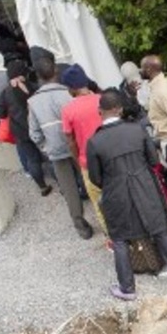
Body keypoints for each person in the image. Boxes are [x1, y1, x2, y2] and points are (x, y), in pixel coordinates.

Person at [87, 89, 167, 299]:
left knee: (121, 239)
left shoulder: (95, 142)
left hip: (116, 193)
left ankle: (127, 288)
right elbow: (153, 161)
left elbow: (95, 178)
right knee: (159, 229)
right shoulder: (137, 130)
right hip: (145, 186)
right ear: (120, 109)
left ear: (100, 111)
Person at [28, 57, 93, 239]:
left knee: (69, 188)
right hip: (78, 145)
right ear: (56, 73)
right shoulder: (68, 93)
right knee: (89, 180)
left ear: (39, 77)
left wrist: (45, 147)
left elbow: (34, 133)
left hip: (55, 150)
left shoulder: (33, 102)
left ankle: (81, 226)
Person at [61, 64, 108, 238]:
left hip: (87, 161)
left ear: (71, 88)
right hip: (111, 156)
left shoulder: (68, 110)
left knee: (99, 201)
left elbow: (70, 141)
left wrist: (77, 161)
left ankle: (112, 238)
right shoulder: (103, 99)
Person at [0, 60, 52, 197]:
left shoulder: (6, 92)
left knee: (32, 159)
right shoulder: (32, 87)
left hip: (20, 130)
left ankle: (42, 187)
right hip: (39, 126)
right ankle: (62, 182)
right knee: (49, 155)